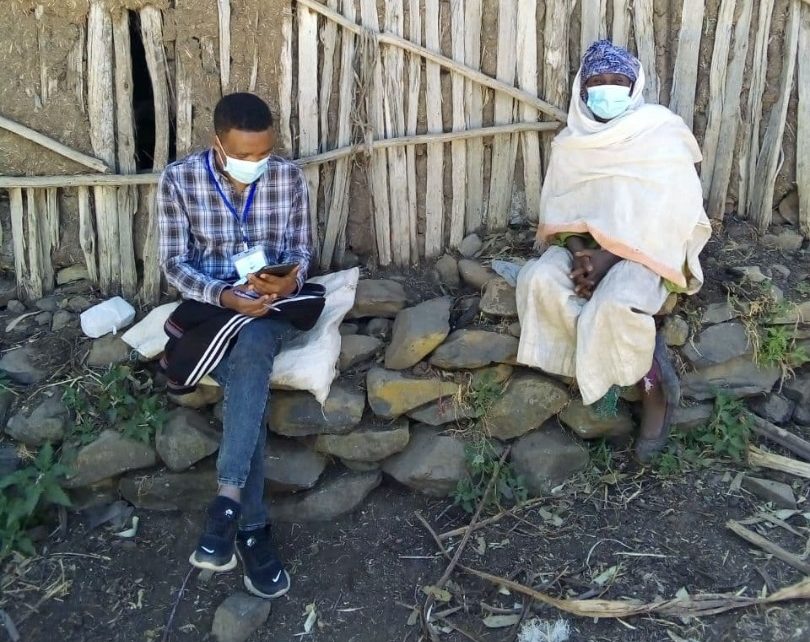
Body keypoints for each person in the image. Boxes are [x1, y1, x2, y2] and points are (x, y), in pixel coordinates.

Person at [516, 40, 711, 462]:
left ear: (634, 85)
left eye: (618, 81)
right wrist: (583, 252)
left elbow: (673, 214)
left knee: (616, 304)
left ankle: (652, 388)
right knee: (538, 281)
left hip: (647, 251)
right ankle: (602, 370)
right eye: (597, 82)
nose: (607, 89)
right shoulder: (572, 142)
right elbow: (564, 210)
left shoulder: (660, 132)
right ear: (581, 91)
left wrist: (610, 259)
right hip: (587, 248)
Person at [157, 92, 314, 598]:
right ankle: (250, 529)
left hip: (270, 305)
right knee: (250, 369)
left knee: (255, 339)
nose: (256, 164)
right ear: (218, 145)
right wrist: (223, 293)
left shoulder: (287, 177)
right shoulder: (179, 180)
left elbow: (301, 249)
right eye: (244, 156)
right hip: (214, 302)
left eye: (263, 154)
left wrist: (288, 282)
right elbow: (174, 262)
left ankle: (226, 501)